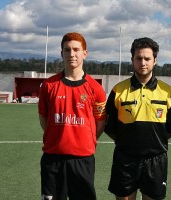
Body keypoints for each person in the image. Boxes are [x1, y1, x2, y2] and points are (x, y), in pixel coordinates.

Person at [104, 37, 171, 200]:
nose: (143, 63)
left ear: (155, 60)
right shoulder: (118, 90)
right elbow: (109, 127)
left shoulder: (168, 92)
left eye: (147, 58)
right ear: (132, 60)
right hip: (125, 159)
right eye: (139, 58)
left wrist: (153, 141)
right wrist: (128, 142)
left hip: (156, 160)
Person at [38, 32, 106, 200]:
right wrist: (58, 137)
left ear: (85, 53)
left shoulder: (95, 88)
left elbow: (100, 123)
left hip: (83, 159)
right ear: (61, 53)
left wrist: (86, 140)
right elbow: (44, 120)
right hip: (53, 159)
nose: (72, 54)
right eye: (67, 50)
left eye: (76, 49)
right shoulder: (48, 85)